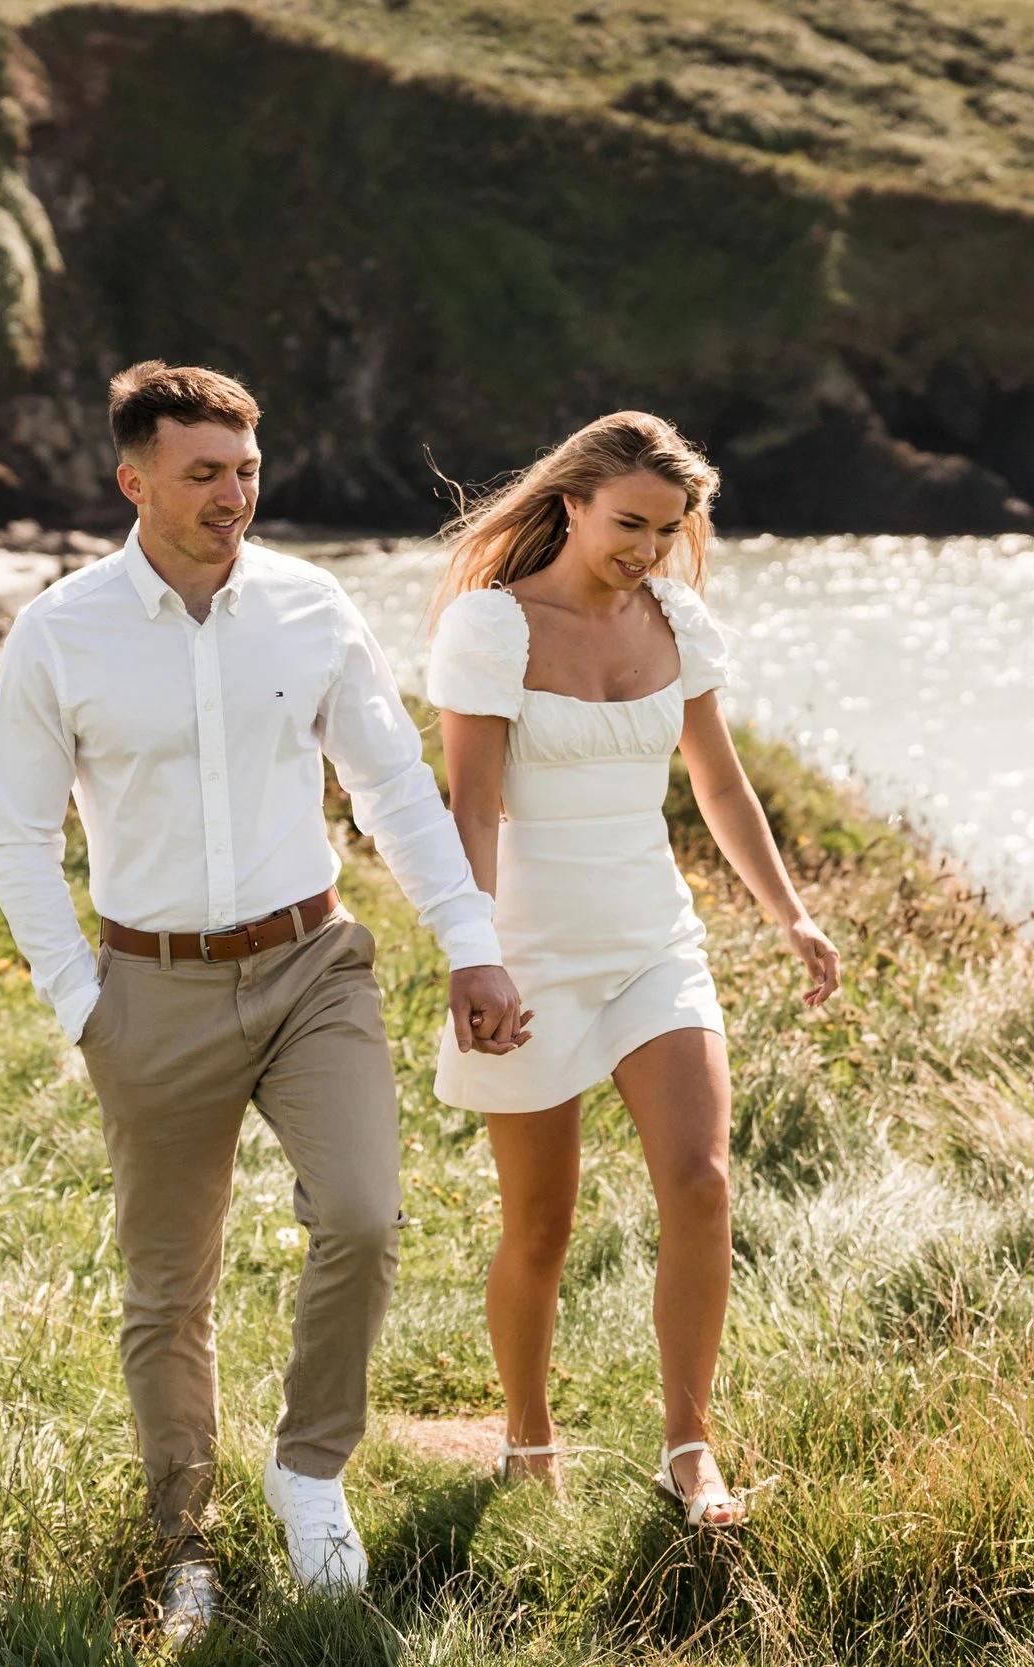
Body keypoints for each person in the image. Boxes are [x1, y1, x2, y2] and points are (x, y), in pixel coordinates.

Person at [0, 361, 526, 1645]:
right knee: (168, 1288)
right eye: (204, 473)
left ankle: (311, 1469)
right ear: (134, 481)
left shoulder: (310, 604)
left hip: (310, 965)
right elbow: (13, 839)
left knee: (364, 1214)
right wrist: (83, 1003)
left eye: (247, 469)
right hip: (146, 989)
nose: (235, 494)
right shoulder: (60, 631)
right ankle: (185, 1539)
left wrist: (472, 946)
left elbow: (392, 789)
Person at [423, 412, 840, 1527]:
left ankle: (688, 1447)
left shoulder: (677, 620)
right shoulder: (492, 627)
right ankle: (525, 1436)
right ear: (570, 504)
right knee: (541, 1224)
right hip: (527, 952)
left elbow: (718, 782)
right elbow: (468, 803)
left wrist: (789, 915)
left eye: (666, 529)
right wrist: (474, 956)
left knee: (702, 1181)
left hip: (655, 940)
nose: (646, 549)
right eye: (627, 524)